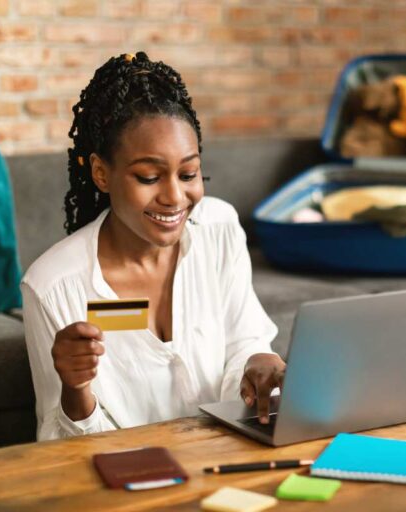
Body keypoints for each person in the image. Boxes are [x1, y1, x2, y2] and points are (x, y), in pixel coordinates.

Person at [21, 52, 285, 441]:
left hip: (226, 458)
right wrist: (75, 391)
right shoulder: (53, 286)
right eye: (148, 177)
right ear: (100, 173)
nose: (175, 197)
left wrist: (259, 361)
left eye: (189, 173)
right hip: (130, 481)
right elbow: (59, 448)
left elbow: (245, 339)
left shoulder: (218, 226)